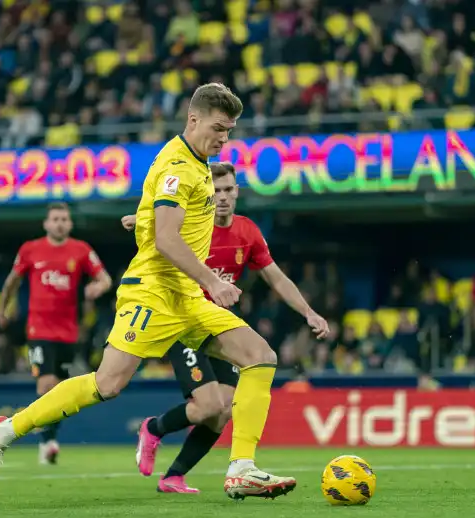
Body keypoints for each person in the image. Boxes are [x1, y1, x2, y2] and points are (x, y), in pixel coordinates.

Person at [0, 83, 297, 500]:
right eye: (218, 128)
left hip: (187, 297)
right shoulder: (180, 166)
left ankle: (241, 469)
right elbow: (167, 239)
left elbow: (165, 218)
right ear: (193, 120)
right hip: (154, 293)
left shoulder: (192, 162)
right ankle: (6, 431)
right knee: (107, 384)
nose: (225, 138)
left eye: (230, 130)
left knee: (260, 356)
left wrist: (141, 218)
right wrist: (214, 279)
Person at [122, 161, 329, 494]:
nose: (222, 197)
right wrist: (141, 220)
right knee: (207, 405)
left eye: (228, 190)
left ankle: (173, 476)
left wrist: (309, 312)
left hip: (220, 328)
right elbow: (162, 229)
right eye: (215, 191)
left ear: (237, 192)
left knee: (223, 411)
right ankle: (153, 428)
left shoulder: (247, 231)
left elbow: (275, 276)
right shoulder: (192, 224)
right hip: (184, 322)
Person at [0, 202, 112, 464]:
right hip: (38, 330)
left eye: (64, 219)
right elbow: (12, 281)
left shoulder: (80, 250)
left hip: (68, 333)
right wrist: (2, 307)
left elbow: (104, 278)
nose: (59, 223)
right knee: (45, 383)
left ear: (70, 224)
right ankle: (47, 441)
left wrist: (97, 288)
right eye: (55, 219)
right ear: (46, 224)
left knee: (59, 389)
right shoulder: (30, 249)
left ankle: (48, 437)